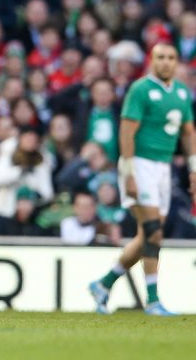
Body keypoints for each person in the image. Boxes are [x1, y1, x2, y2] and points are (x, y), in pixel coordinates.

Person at [89, 43, 196, 316]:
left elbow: (188, 133)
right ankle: (152, 300)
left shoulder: (182, 93)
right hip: (140, 164)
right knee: (152, 232)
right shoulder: (141, 90)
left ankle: (104, 283)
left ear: (177, 62)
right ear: (151, 61)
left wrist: (194, 169)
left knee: (146, 235)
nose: (166, 62)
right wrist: (128, 172)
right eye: (160, 57)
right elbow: (126, 132)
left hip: (163, 167)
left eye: (171, 58)